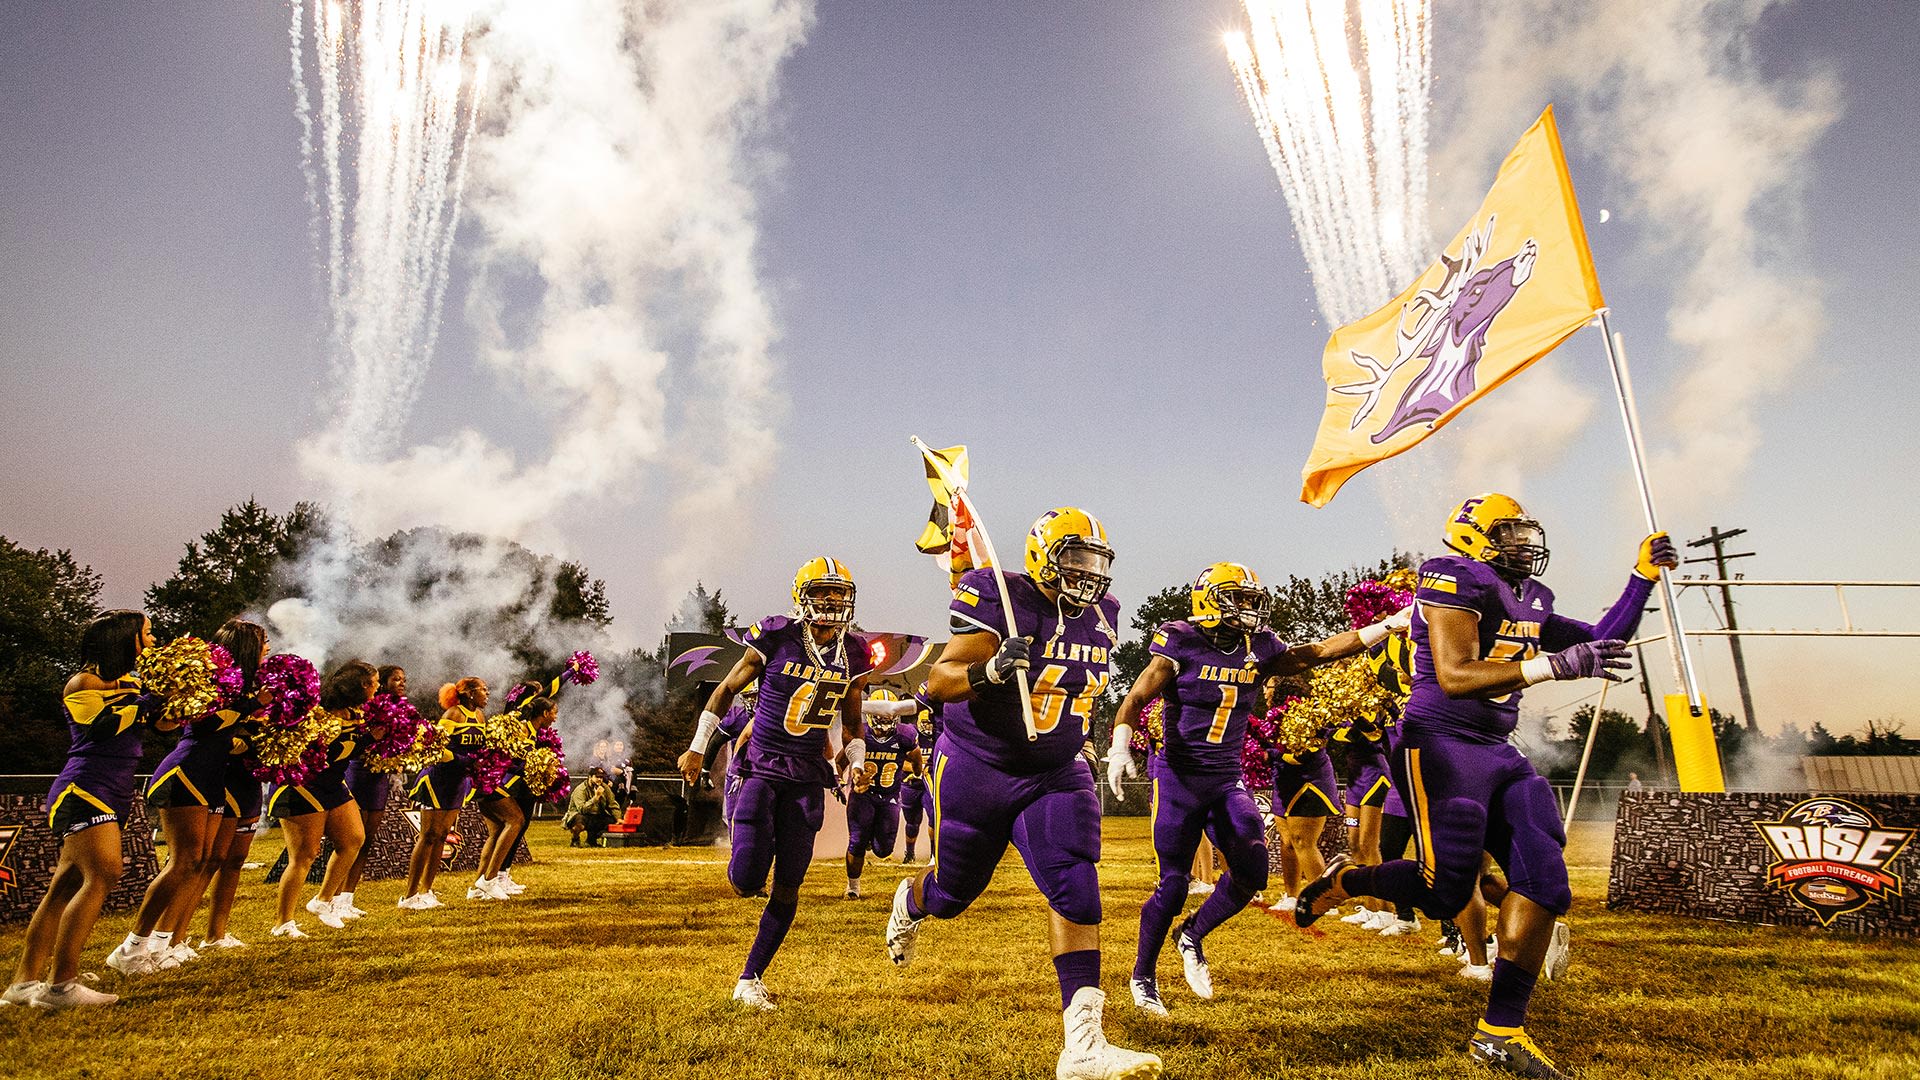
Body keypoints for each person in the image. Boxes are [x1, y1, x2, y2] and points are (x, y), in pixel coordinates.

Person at [1295, 493, 1676, 1079]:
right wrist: (1552, 665)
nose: (1524, 544)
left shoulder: (1532, 596)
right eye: (1510, 533)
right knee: (1445, 892)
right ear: (1473, 536)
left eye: (1527, 532)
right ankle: (1347, 878)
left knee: (1545, 878)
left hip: (1498, 749)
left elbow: (1600, 639)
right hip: (1441, 744)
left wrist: (1641, 579)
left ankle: (1500, 1031)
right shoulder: (1451, 576)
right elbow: (1453, 675)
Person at [883, 508, 1161, 1080]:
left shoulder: (1102, 614)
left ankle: (1082, 1047)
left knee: (1076, 884)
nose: (1088, 574)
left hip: (1056, 768)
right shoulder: (998, 596)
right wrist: (988, 672)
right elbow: (939, 681)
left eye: (1097, 562)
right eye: (1076, 560)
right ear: (1043, 557)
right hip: (978, 766)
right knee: (954, 892)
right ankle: (910, 902)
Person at [1109, 562, 1407, 1015]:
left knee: (1250, 871)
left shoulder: (1261, 646)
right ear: (1208, 599)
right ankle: (1143, 975)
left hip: (1227, 779)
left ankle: (1191, 934)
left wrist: (1384, 626)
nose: (1248, 608)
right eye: (1239, 598)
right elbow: (1136, 696)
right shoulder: (1180, 638)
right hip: (1180, 779)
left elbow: (1318, 652)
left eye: (1252, 599)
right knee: (1172, 885)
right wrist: (1119, 745)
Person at [678, 557, 873, 1012]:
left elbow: (853, 721)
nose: (832, 600)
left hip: (807, 775)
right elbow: (726, 688)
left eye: (839, 592)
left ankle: (751, 978)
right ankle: (747, 866)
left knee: (789, 884)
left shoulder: (857, 652)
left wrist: (856, 762)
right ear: (802, 595)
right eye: (823, 591)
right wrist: (698, 745)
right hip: (762, 768)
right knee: (747, 878)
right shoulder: (776, 634)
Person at [5, 611, 168, 1009]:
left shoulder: (130, 682)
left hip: (114, 785)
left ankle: (24, 982)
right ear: (123, 640)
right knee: (104, 873)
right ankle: (61, 986)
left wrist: (179, 698)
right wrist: (148, 701)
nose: (151, 640)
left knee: (64, 887)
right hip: (85, 786)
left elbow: (161, 725)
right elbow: (101, 725)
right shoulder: (83, 683)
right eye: (145, 634)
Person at [113, 622, 271, 972]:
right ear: (245, 646)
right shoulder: (214, 681)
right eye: (262, 641)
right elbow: (192, 724)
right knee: (182, 862)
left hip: (213, 777)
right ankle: (132, 946)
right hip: (187, 773)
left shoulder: (243, 686)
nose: (268, 646)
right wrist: (251, 706)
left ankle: (166, 940)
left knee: (199, 862)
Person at [268, 659, 376, 937]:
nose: (377, 688)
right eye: (374, 682)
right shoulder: (317, 714)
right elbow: (314, 752)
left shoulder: (356, 714)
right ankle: (283, 922)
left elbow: (348, 751)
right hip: (302, 786)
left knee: (353, 839)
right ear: (361, 685)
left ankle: (322, 900)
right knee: (304, 855)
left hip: (332, 784)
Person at [400, 678, 489, 909]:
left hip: (458, 782)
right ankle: (409, 895)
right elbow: (435, 748)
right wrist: (466, 760)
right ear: (469, 693)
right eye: (483, 689)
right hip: (438, 779)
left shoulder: (480, 717)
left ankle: (426, 890)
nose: (487, 693)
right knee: (428, 835)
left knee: (442, 835)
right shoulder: (452, 715)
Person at [334, 665, 408, 915]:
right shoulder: (363, 706)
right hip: (358, 769)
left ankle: (347, 898)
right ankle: (331, 897)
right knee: (351, 839)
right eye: (395, 679)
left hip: (380, 774)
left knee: (367, 839)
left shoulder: (402, 708)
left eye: (403, 679)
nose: (401, 683)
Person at [839, 688, 924, 899]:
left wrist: (916, 773)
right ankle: (853, 887)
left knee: (883, 850)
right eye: (880, 717)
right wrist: (840, 782)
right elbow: (841, 761)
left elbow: (916, 757)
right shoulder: (862, 734)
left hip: (889, 797)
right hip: (862, 796)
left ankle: (871, 839)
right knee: (857, 842)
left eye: (889, 717)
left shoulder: (905, 735)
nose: (885, 722)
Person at [898, 684, 940, 864]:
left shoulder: (939, 735)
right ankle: (909, 853)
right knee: (912, 822)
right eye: (925, 723)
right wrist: (917, 768)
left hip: (928, 784)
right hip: (911, 784)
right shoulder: (910, 734)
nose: (928, 727)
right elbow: (897, 760)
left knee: (933, 817)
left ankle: (933, 854)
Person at [564, 768, 619, 846]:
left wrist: (618, 818)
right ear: (590, 777)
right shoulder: (581, 790)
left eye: (601, 777)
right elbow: (582, 809)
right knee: (579, 822)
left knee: (610, 821)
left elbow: (612, 804)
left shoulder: (605, 788)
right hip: (579, 815)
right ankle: (575, 839)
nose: (599, 779)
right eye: (597, 777)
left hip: (596, 815)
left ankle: (591, 840)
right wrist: (595, 798)